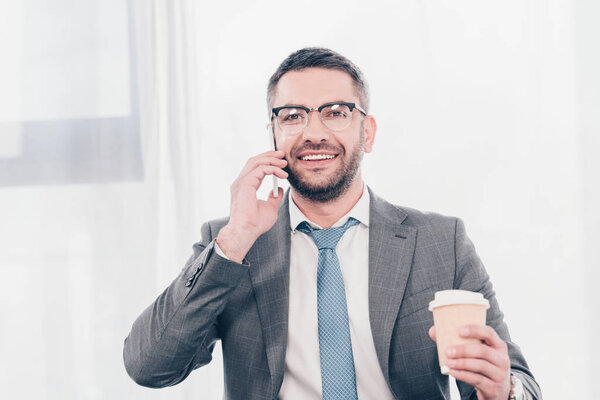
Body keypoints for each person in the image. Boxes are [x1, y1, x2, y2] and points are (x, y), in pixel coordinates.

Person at [123, 47, 542, 400]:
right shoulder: (232, 244)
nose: (313, 132)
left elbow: (519, 382)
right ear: (273, 132)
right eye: (292, 116)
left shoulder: (439, 243)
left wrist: (502, 391)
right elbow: (149, 366)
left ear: (368, 132)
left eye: (335, 112)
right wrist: (234, 240)